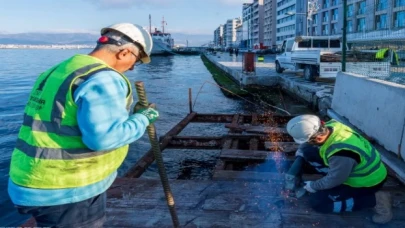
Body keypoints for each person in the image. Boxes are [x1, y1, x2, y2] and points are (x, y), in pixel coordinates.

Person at [8, 23, 159, 227]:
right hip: (68, 188)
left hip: (29, 181)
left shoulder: (60, 70)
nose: (132, 67)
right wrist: (144, 117)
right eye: (136, 60)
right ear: (124, 53)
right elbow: (104, 139)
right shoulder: (104, 78)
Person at [286, 115, 392, 224]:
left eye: (307, 141)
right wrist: (301, 152)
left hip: (366, 182)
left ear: (318, 138)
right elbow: (308, 145)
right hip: (352, 168)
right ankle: (324, 171)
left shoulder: (341, 154)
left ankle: (375, 200)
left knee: (318, 203)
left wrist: (314, 186)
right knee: (308, 151)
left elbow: (335, 180)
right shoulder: (330, 126)